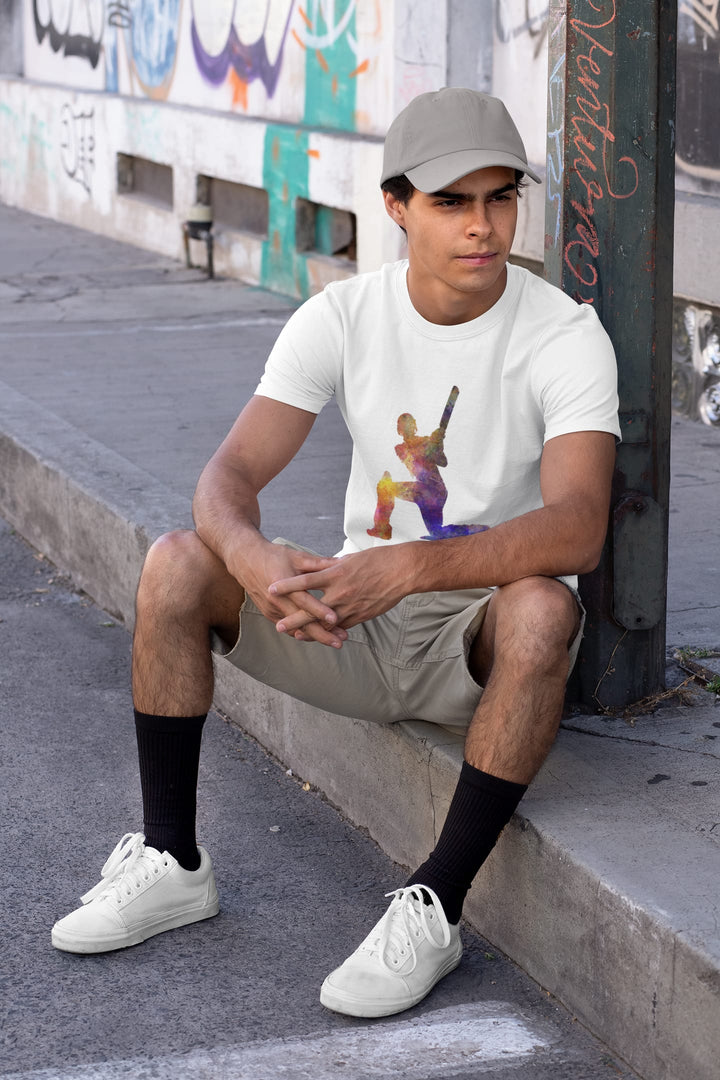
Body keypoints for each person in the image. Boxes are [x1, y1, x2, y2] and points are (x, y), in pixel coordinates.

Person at [51, 87, 619, 1019]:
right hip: (345, 624)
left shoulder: (563, 335)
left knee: (544, 607)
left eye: (501, 198)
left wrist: (409, 566)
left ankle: (434, 903)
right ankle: (172, 859)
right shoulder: (343, 316)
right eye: (451, 202)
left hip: (472, 637)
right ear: (395, 207)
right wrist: (252, 557)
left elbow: (577, 528)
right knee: (178, 561)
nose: (483, 227)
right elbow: (225, 478)